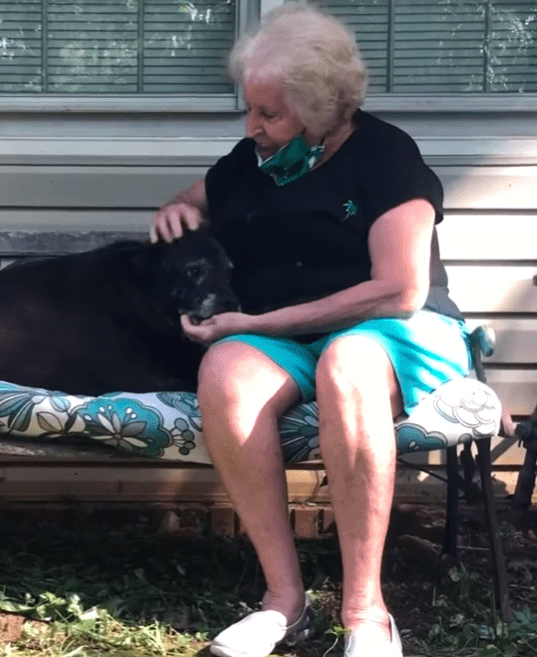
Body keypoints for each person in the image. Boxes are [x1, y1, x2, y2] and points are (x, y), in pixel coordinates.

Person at [149, 4, 470, 657]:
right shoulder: (252, 160)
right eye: (249, 109)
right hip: (288, 337)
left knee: (347, 365)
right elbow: (191, 200)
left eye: (269, 114)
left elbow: (398, 289)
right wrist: (179, 217)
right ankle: (282, 603)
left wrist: (258, 321)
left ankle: (367, 613)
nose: (253, 127)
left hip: (391, 329)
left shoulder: (386, 158)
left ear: (323, 109)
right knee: (225, 371)